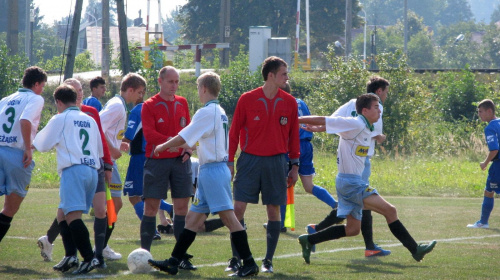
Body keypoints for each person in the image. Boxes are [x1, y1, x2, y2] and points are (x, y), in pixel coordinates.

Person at [297, 93, 437, 264]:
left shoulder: (364, 127)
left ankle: (309, 240)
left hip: (351, 182)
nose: (380, 110)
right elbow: (325, 119)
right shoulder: (356, 122)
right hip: (351, 184)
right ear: (365, 110)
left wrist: (320, 129)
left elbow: (335, 128)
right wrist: (295, 118)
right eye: (376, 107)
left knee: (352, 229)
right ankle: (415, 250)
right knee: (390, 210)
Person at [148, 72, 259, 277]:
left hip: (214, 171)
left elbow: (184, 136)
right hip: (211, 170)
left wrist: (162, 146)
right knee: (192, 220)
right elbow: (194, 138)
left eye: (199, 88)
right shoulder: (219, 110)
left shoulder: (207, 112)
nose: (198, 92)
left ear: (204, 89)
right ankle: (174, 261)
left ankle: (250, 262)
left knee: (230, 219)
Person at [226, 56, 300, 273]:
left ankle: (268, 260)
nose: (287, 78)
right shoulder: (247, 99)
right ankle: (235, 258)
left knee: (273, 211)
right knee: (237, 209)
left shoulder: (289, 102)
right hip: (249, 161)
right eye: (284, 74)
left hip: (277, 162)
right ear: (271, 75)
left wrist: (294, 165)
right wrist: (230, 161)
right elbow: (233, 133)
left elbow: (294, 136)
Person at [306, 76, 391, 257]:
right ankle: (369, 246)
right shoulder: (377, 108)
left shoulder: (351, 103)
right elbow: (374, 133)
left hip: (349, 158)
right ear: (378, 91)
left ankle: (317, 230)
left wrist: (321, 129)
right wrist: (380, 137)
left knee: (354, 203)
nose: (385, 97)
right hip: (361, 161)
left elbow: (333, 120)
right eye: (386, 92)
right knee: (363, 202)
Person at [36, 78, 113, 269]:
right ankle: (71, 256)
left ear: (59, 102)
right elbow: (99, 151)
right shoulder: (89, 119)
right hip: (93, 171)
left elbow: (42, 145)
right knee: (63, 214)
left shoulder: (60, 118)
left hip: (74, 170)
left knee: (72, 216)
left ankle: (89, 258)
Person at [263, 82, 338, 234]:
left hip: (292, 146)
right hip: (307, 145)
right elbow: (309, 119)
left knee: (283, 184)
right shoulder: (300, 102)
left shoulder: (282, 104)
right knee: (309, 186)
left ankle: (281, 223)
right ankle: (336, 205)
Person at [140, 66, 196, 270]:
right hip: (157, 161)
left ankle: (180, 257)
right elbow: (150, 135)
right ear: (160, 81)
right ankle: (144, 256)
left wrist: (188, 149)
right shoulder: (149, 105)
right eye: (171, 81)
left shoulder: (182, 102)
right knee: (151, 208)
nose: (175, 85)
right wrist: (179, 143)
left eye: (177, 81)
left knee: (182, 209)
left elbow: (190, 129)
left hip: (181, 162)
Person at [99, 73, 146, 260]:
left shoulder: (117, 104)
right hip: (106, 160)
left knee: (110, 204)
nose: (141, 96)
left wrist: (118, 146)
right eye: (140, 92)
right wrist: (112, 149)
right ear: (131, 90)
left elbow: (106, 130)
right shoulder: (118, 106)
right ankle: (101, 247)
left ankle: (100, 245)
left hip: (108, 158)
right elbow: (97, 126)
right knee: (113, 204)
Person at [0, 66, 47, 244]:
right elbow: (25, 120)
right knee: (10, 207)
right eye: (42, 85)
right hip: (16, 155)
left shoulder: (6, 99)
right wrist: (28, 148)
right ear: (36, 84)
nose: (42, 89)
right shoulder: (35, 98)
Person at [122, 96, 173, 240]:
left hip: (139, 157)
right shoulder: (153, 108)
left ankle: (152, 231)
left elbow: (128, 137)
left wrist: (111, 143)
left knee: (134, 196)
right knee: (145, 195)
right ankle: (170, 209)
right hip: (151, 155)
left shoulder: (137, 111)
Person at [467, 99, 500, 229]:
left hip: (498, 166)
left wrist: (485, 163)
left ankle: (483, 222)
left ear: (489, 111)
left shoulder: (490, 127)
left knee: (489, 191)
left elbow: (495, 149)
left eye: (480, 111)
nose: (479, 114)